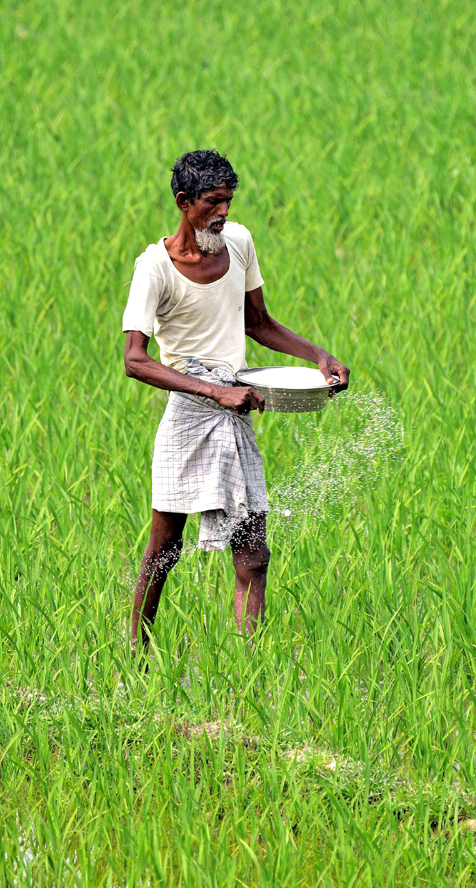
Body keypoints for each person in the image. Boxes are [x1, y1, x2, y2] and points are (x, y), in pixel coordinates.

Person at [121, 149, 349, 651]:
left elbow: (258, 324)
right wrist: (214, 391)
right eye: (212, 203)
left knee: (253, 556)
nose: (223, 212)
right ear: (184, 202)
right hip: (189, 411)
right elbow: (135, 360)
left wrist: (318, 356)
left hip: (236, 404)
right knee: (165, 548)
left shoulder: (239, 242)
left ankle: (249, 666)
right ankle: (134, 654)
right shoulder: (154, 267)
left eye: (228, 201)